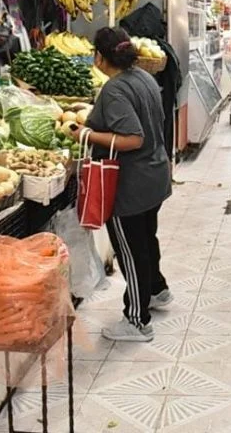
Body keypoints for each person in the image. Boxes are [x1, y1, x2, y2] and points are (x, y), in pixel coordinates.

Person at [69, 26, 172, 342]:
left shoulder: (114, 90)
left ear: (99, 57)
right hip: (155, 175)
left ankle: (137, 320)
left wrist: (85, 134)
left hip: (131, 184)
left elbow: (132, 137)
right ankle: (157, 290)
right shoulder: (143, 77)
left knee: (131, 251)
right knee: (146, 240)